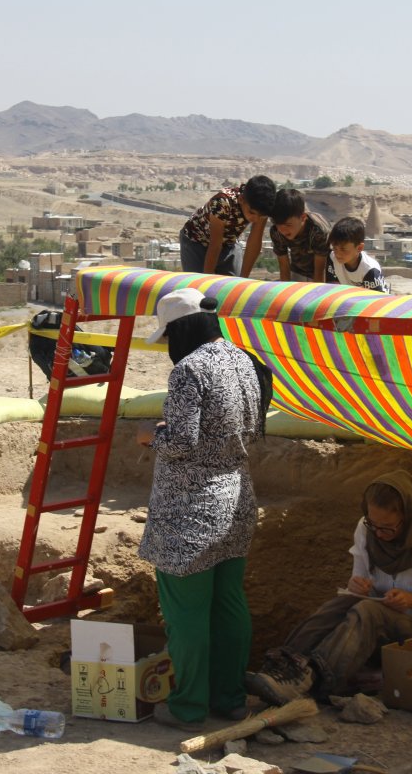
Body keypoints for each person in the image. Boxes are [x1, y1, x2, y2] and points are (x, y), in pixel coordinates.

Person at [136, 288, 273, 731]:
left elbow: (180, 442)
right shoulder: (245, 360)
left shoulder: (190, 370)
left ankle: (188, 706)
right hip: (236, 498)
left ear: (182, 329)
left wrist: (149, 436)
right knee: (228, 604)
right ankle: (229, 698)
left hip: (189, 513)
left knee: (187, 613)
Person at [245, 470, 412, 704]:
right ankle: (281, 668)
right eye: (374, 525)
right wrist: (357, 586)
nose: (379, 534)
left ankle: (314, 679)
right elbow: (360, 590)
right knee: (341, 604)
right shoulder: (365, 530)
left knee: (369, 612)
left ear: (409, 516)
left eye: (388, 527)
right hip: (375, 629)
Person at [180, 175, 277, 277]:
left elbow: (254, 243)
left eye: (260, 216)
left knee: (234, 286)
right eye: (252, 213)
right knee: (198, 285)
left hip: (227, 244)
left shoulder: (262, 208)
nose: (256, 219)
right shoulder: (222, 203)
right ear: (241, 199)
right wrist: (206, 281)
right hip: (195, 241)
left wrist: (244, 279)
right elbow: (215, 245)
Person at [268, 188, 330, 282]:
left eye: (288, 225)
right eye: (278, 224)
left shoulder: (318, 231)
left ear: (303, 218)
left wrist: (318, 294)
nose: (282, 230)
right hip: (298, 272)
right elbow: (284, 266)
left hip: (327, 274)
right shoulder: (276, 232)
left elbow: (320, 270)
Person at [326, 216, 391, 294]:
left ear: (359, 248)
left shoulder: (369, 270)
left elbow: (379, 299)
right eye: (335, 248)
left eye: (343, 249)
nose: (337, 253)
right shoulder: (332, 259)